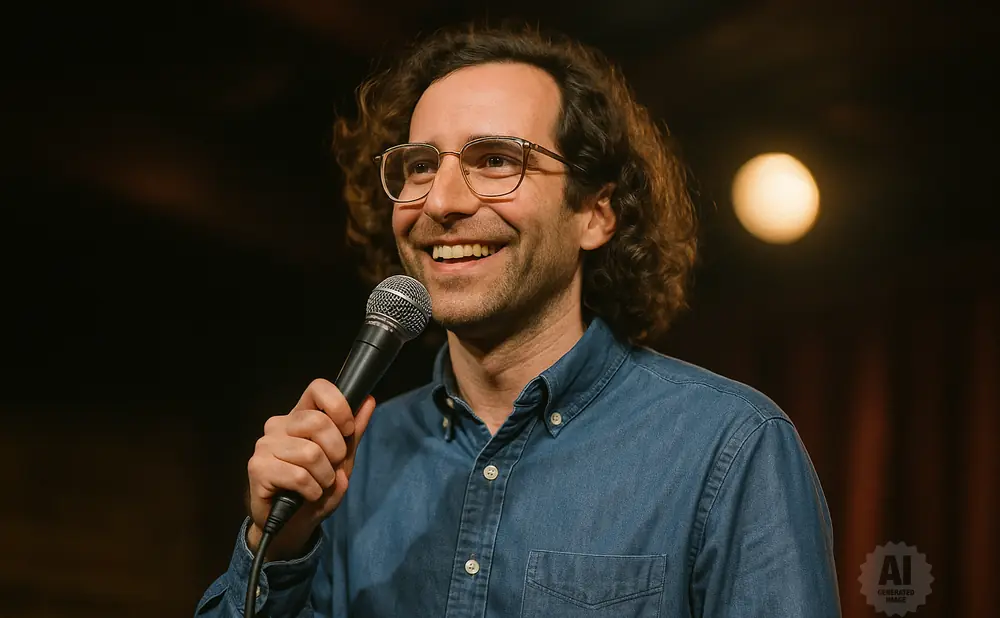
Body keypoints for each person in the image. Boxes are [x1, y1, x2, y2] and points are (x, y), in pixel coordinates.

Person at [195, 22, 841, 618]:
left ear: (596, 214)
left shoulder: (727, 447)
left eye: (497, 160)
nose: (442, 201)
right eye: (421, 165)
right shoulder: (351, 459)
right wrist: (273, 547)